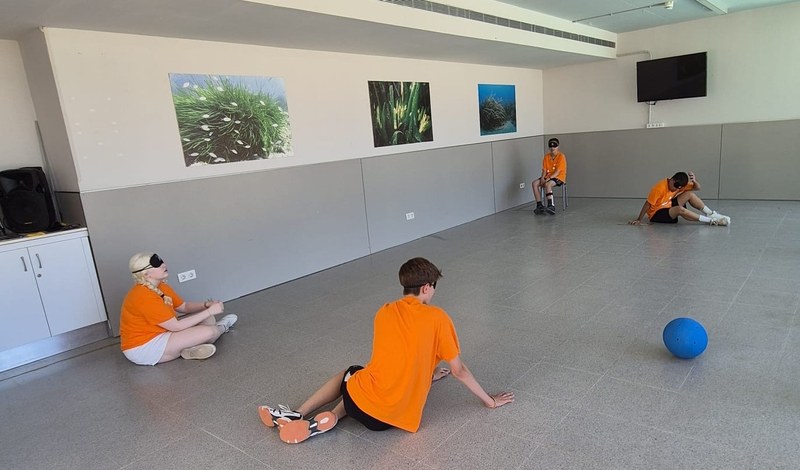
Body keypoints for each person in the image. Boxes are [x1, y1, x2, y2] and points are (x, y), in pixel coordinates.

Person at [258, 257, 515, 444]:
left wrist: (431, 374)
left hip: (358, 404)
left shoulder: (385, 312)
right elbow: (459, 370)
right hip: (390, 421)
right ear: (427, 287)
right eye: (435, 287)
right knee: (360, 377)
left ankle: (299, 413)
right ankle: (330, 417)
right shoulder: (438, 318)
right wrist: (489, 401)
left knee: (353, 371)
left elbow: (398, 355)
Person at [119, 252, 238, 365]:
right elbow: (177, 326)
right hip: (144, 348)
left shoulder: (160, 286)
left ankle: (188, 350)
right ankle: (222, 327)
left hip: (163, 333)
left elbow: (183, 306)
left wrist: (206, 305)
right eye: (157, 264)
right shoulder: (144, 296)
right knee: (210, 331)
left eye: (161, 261)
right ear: (146, 274)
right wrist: (209, 311)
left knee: (209, 319)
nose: (163, 265)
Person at [629, 171, 731, 226]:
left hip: (669, 205)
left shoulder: (679, 185)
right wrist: (639, 219)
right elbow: (648, 203)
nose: (675, 190)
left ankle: (711, 214)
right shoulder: (659, 188)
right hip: (656, 213)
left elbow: (697, 188)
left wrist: (694, 181)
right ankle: (711, 221)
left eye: (678, 189)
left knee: (689, 194)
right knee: (680, 209)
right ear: (672, 180)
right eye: (675, 187)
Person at [533, 137, 567, 215]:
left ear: (558, 147)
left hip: (559, 177)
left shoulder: (561, 156)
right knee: (534, 183)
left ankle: (551, 205)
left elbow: (557, 172)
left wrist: (548, 179)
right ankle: (539, 205)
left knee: (548, 184)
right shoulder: (546, 157)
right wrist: (542, 178)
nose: (552, 148)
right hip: (548, 176)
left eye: (554, 146)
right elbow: (544, 170)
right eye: (550, 146)